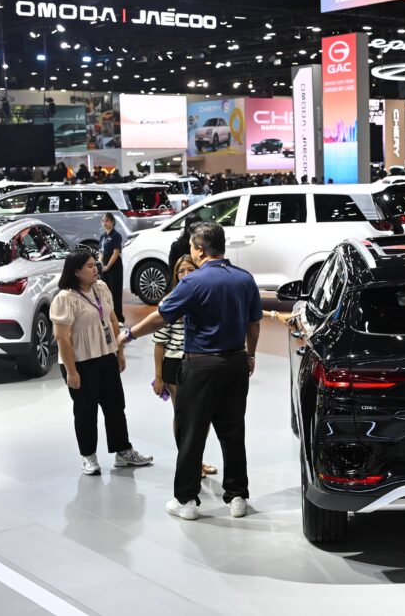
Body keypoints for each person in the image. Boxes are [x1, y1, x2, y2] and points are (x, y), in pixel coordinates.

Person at [120, 222, 262, 521]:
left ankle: (186, 500)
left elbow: (160, 317)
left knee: (191, 433)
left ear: (199, 249)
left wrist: (129, 334)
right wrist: (250, 354)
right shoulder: (245, 279)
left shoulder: (193, 281)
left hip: (201, 366)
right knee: (233, 432)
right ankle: (237, 497)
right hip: (236, 363)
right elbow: (254, 324)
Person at [50, 249, 152, 475]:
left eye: (94, 264)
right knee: (85, 412)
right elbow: (62, 338)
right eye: (89, 266)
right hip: (80, 362)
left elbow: (113, 320)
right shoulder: (65, 299)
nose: (95, 268)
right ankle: (88, 456)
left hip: (106, 356)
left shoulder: (101, 288)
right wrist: (71, 372)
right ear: (76, 271)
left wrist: (119, 351)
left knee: (116, 407)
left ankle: (123, 451)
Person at [153, 256, 218, 480]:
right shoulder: (169, 300)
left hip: (200, 362)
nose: (186, 274)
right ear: (176, 275)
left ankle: (196, 459)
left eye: (191, 269)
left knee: (203, 416)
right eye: (181, 271)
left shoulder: (205, 296)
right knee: (184, 417)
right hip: (175, 363)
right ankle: (188, 462)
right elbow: (159, 342)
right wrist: (158, 376)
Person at [98, 213, 125, 323]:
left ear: (112, 222)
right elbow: (101, 252)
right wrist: (100, 264)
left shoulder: (116, 236)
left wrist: (108, 266)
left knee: (115, 293)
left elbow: (116, 252)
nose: (104, 223)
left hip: (114, 268)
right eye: (103, 221)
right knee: (105, 293)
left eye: (107, 220)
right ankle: (108, 317)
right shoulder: (102, 237)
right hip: (104, 268)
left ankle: (118, 318)